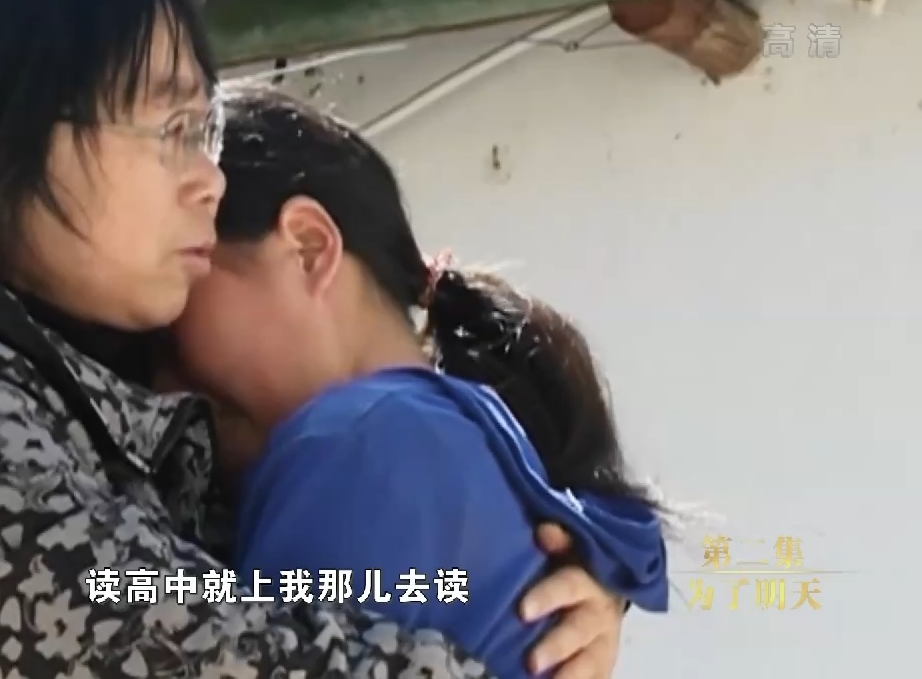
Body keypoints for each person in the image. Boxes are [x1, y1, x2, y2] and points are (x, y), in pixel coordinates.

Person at [0, 0, 626, 676]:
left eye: (207, 132)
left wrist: (537, 601)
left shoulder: (100, 422)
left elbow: (312, 598)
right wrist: (500, 647)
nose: (210, 180)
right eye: (171, 131)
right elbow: (206, 646)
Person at [171, 87, 672, 677]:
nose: (149, 382)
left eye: (180, 267)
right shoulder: (451, 438)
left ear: (307, 248)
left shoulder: (353, 446)